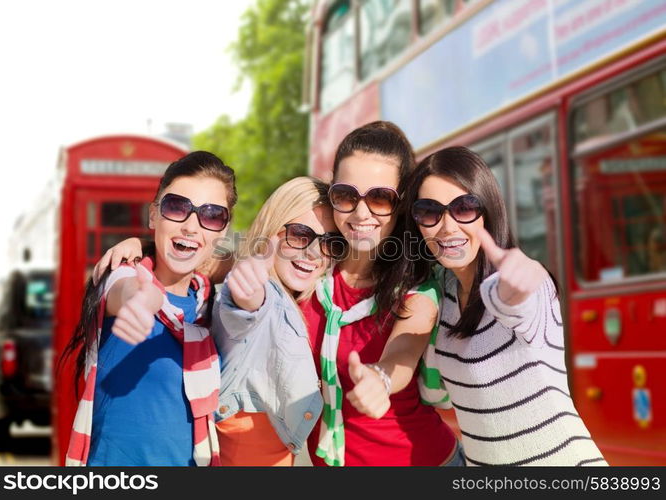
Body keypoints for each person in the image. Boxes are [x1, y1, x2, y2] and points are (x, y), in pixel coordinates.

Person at [398, 145, 607, 466]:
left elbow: (520, 296)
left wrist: (518, 283)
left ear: (488, 209)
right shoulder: (442, 295)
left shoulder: (520, 288)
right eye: (429, 211)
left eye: (464, 207)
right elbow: (436, 394)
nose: (448, 226)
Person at [300, 121, 460, 466]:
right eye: (345, 195)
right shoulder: (311, 272)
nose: (361, 213)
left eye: (380, 198)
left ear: (401, 205)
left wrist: (381, 378)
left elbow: (404, 348)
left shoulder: (418, 288)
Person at [61, 151, 237, 466]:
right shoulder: (123, 276)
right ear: (154, 215)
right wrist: (145, 300)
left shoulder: (208, 303)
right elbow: (128, 289)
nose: (191, 226)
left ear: (222, 231)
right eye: (177, 208)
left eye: (211, 215)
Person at [212, 176, 345, 466]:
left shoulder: (310, 300)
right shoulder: (265, 293)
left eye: (330, 243)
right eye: (300, 235)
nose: (313, 252)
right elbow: (247, 310)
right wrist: (248, 290)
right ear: (272, 229)